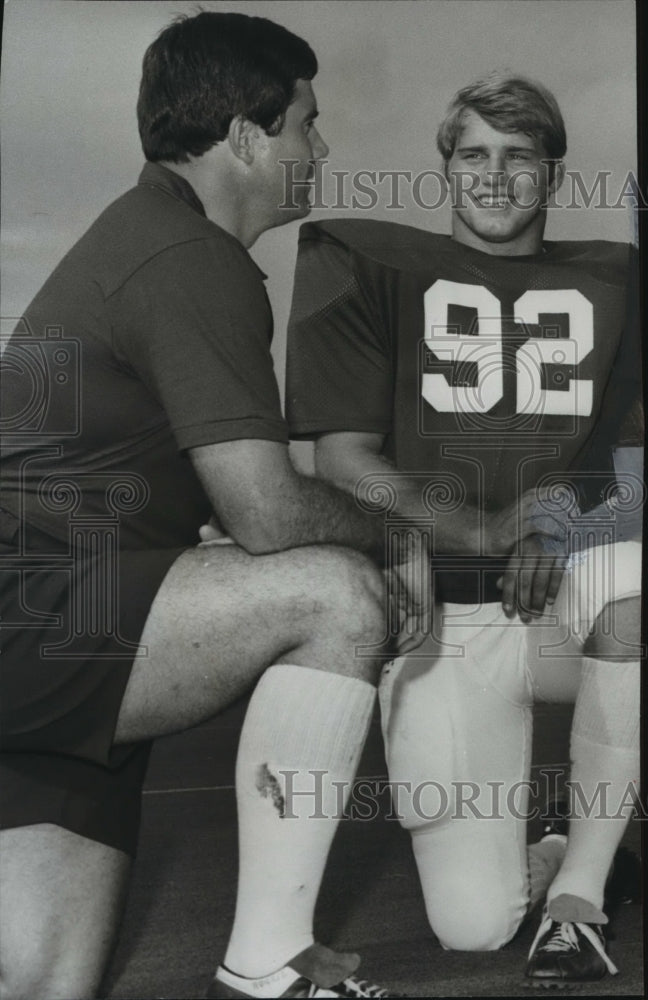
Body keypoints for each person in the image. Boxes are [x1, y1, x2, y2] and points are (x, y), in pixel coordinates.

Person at [0, 12, 427, 999]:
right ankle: (269, 964)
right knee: (334, 592)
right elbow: (268, 515)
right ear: (245, 135)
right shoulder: (189, 259)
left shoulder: (146, 235)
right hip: (47, 621)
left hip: (65, 642)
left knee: (41, 981)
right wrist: (394, 533)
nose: (321, 148)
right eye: (307, 125)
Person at [286, 72, 642, 985]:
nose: (495, 175)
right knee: (475, 926)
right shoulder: (369, 263)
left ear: (553, 172)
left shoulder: (620, 279)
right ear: (444, 166)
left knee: (633, 586)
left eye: (519, 156)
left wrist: (561, 515)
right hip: (448, 620)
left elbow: (640, 467)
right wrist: (480, 530)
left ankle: (583, 897)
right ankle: (570, 845)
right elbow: (344, 458)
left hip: (570, 600)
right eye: (474, 154)